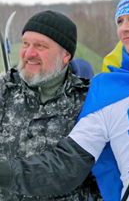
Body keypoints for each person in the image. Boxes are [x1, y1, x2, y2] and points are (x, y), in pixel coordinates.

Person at [0, 0, 129, 200]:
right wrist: (6, 172)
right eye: (119, 21)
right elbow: (67, 165)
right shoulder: (108, 89)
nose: (124, 28)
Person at [0, 10, 101, 201]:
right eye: (25, 44)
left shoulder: (87, 100)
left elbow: (87, 169)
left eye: (40, 46)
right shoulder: (3, 91)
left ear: (65, 55)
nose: (29, 53)